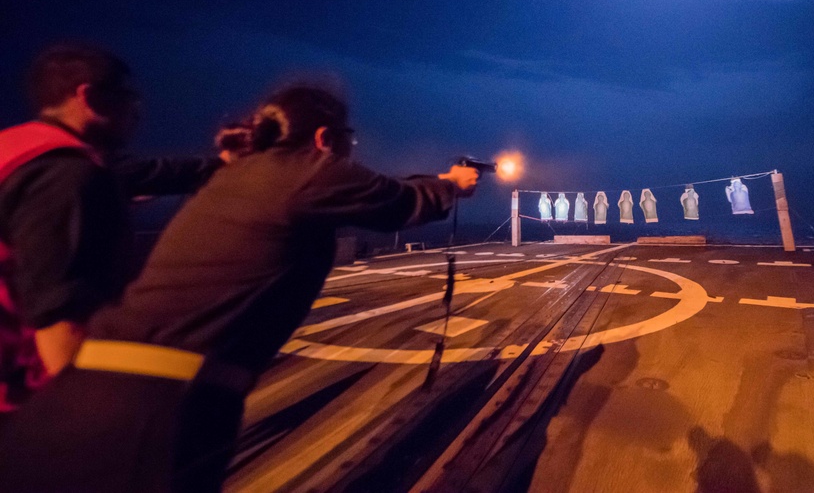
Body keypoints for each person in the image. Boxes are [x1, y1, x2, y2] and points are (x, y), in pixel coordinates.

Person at [0, 83, 479, 492]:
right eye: (348, 140)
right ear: (324, 137)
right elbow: (401, 203)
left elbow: (374, 191)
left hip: (78, 404)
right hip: (160, 412)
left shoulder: (243, 176)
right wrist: (452, 184)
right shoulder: (310, 170)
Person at [0, 42, 220, 411]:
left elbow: (143, 173)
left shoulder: (18, 149)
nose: (136, 113)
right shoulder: (67, 175)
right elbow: (60, 319)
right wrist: (84, 417)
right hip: (21, 397)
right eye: (130, 99)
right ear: (90, 97)